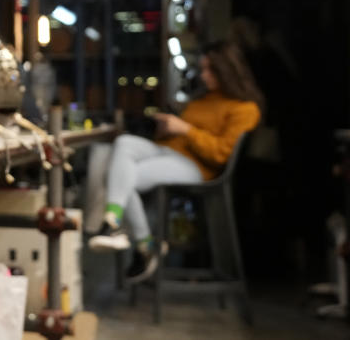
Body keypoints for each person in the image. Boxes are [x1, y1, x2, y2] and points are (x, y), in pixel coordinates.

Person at [88, 41, 263, 283]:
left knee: (122, 176)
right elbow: (182, 134)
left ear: (227, 71)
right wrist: (168, 127)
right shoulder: (203, 98)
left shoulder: (246, 109)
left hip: (198, 167)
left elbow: (221, 154)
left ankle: (141, 244)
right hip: (168, 151)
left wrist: (186, 129)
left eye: (209, 70)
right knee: (124, 144)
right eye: (202, 69)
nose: (203, 75)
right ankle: (115, 222)